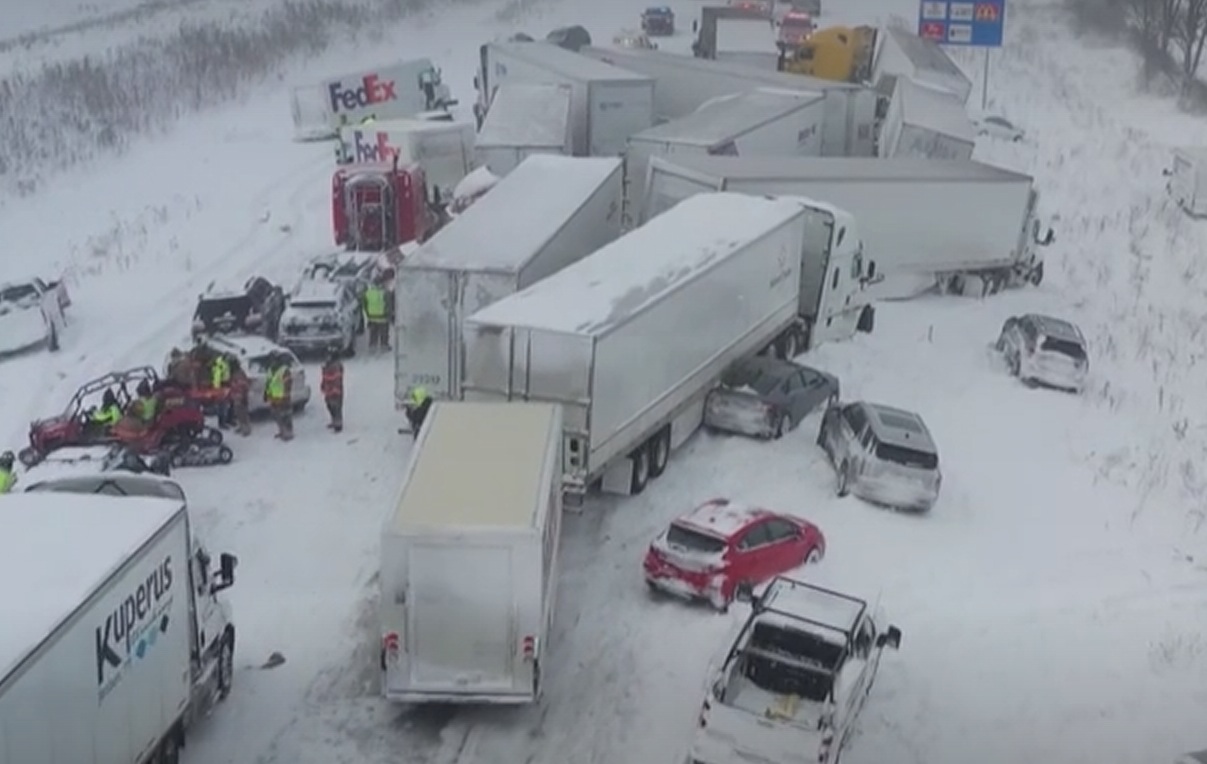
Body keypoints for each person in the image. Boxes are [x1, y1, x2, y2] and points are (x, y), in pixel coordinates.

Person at [263, 353, 294, 441]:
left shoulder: (284, 370)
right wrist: (266, 393)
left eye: (273, 360)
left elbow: (288, 383)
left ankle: (288, 433)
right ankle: (282, 431)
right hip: (273, 397)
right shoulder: (270, 370)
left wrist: (285, 395)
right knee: (276, 415)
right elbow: (268, 383)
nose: (271, 362)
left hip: (283, 397)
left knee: (286, 415)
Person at [362, 279, 390, 351]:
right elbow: (388, 304)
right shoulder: (384, 292)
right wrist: (388, 314)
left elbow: (364, 304)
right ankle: (384, 345)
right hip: (382, 317)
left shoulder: (368, 293)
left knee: (373, 333)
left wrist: (367, 313)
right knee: (384, 332)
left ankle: (372, 345)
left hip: (371, 317)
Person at [321, 352, 344, 433]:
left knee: (336, 406)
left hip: (335, 390)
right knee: (330, 405)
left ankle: (338, 424)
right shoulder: (327, 365)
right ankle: (334, 420)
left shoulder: (336, 366)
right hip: (329, 389)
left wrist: (335, 389)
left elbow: (336, 378)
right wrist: (323, 385)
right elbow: (325, 376)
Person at [228, 359, 252, 436]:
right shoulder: (233, 373)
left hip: (241, 396)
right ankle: (241, 426)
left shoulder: (239, 373)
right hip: (236, 395)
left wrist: (244, 396)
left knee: (243, 413)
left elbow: (244, 385)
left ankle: (246, 429)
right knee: (237, 412)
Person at [210, 354, 232, 429]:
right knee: (222, 406)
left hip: (224, 385)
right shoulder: (220, 365)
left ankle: (226, 421)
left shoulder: (224, 364)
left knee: (225, 405)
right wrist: (218, 389)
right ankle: (222, 423)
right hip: (221, 386)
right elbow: (217, 377)